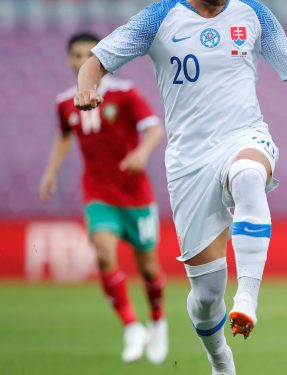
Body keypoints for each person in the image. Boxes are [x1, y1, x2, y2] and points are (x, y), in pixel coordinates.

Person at [74, 1, 287, 373]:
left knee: (249, 175)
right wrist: (86, 88)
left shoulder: (254, 13)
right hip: (189, 162)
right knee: (205, 295)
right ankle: (220, 359)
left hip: (244, 135)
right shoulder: (159, 16)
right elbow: (96, 60)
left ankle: (247, 298)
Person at [40, 32, 168, 364]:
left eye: (89, 54)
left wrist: (141, 153)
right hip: (98, 193)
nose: (82, 60)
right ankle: (130, 326)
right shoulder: (64, 102)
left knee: (149, 268)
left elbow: (154, 128)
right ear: (70, 59)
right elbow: (64, 137)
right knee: (103, 254)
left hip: (136, 195)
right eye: (76, 54)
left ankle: (157, 321)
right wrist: (51, 171)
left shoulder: (125, 94)